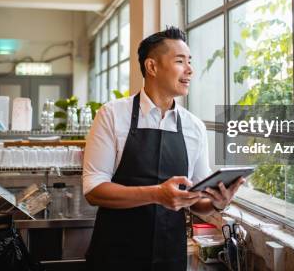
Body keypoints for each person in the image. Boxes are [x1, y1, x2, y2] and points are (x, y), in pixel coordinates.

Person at [83, 26, 244, 270]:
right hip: (115, 254)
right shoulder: (112, 115)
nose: (189, 70)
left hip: (169, 258)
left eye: (189, 62)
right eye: (180, 61)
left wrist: (217, 202)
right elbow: (94, 190)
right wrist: (157, 193)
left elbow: (197, 200)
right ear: (152, 67)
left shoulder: (194, 127)